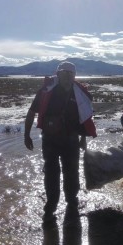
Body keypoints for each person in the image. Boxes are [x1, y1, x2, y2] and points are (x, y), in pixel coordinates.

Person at [24, 61, 97, 222]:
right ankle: (51, 204)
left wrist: (83, 138)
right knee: (51, 172)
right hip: (50, 140)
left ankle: (72, 201)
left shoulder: (79, 94)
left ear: (74, 76)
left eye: (70, 74)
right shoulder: (46, 91)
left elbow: (83, 118)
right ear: (58, 74)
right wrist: (26, 134)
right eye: (64, 73)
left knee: (72, 172)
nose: (67, 76)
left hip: (71, 140)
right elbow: (31, 112)